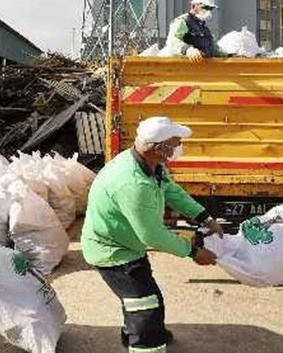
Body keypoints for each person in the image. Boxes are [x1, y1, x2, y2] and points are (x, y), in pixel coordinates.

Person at [81, 116, 223, 353]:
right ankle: (147, 343)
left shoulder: (149, 165)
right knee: (146, 307)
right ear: (159, 147)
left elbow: (172, 191)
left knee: (140, 298)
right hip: (114, 253)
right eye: (176, 142)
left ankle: (137, 333)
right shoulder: (133, 184)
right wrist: (194, 252)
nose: (179, 147)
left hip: (127, 245)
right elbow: (153, 235)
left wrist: (204, 217)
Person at [165, 0, 229, 62]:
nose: (208, 11)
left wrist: (228, 56)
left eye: (210, 8)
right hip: (184, 69)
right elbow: (172, 42)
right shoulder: (183, 22)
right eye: (205, 7)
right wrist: (187, 50)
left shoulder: (204, 29)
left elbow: (214, 49)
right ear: (193, 6)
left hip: (203, 70)